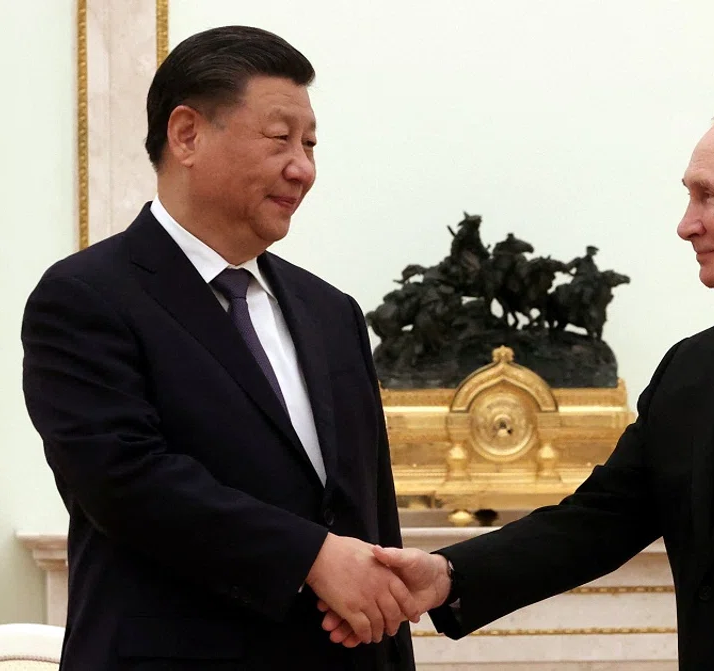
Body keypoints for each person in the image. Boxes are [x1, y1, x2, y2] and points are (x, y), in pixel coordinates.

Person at [323, 98, 714, 669]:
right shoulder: (694, 367)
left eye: (709, 196)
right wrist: (446, 574)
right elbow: (598, 522)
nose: (686, 224)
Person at [21, 25, 418, 670]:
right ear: (186, 134)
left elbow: (371, 517)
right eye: (280, 139)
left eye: (312, 144)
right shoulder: (86, 297)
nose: (303, 168)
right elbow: (124, 480)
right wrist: (310, 556)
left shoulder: (332, 312)